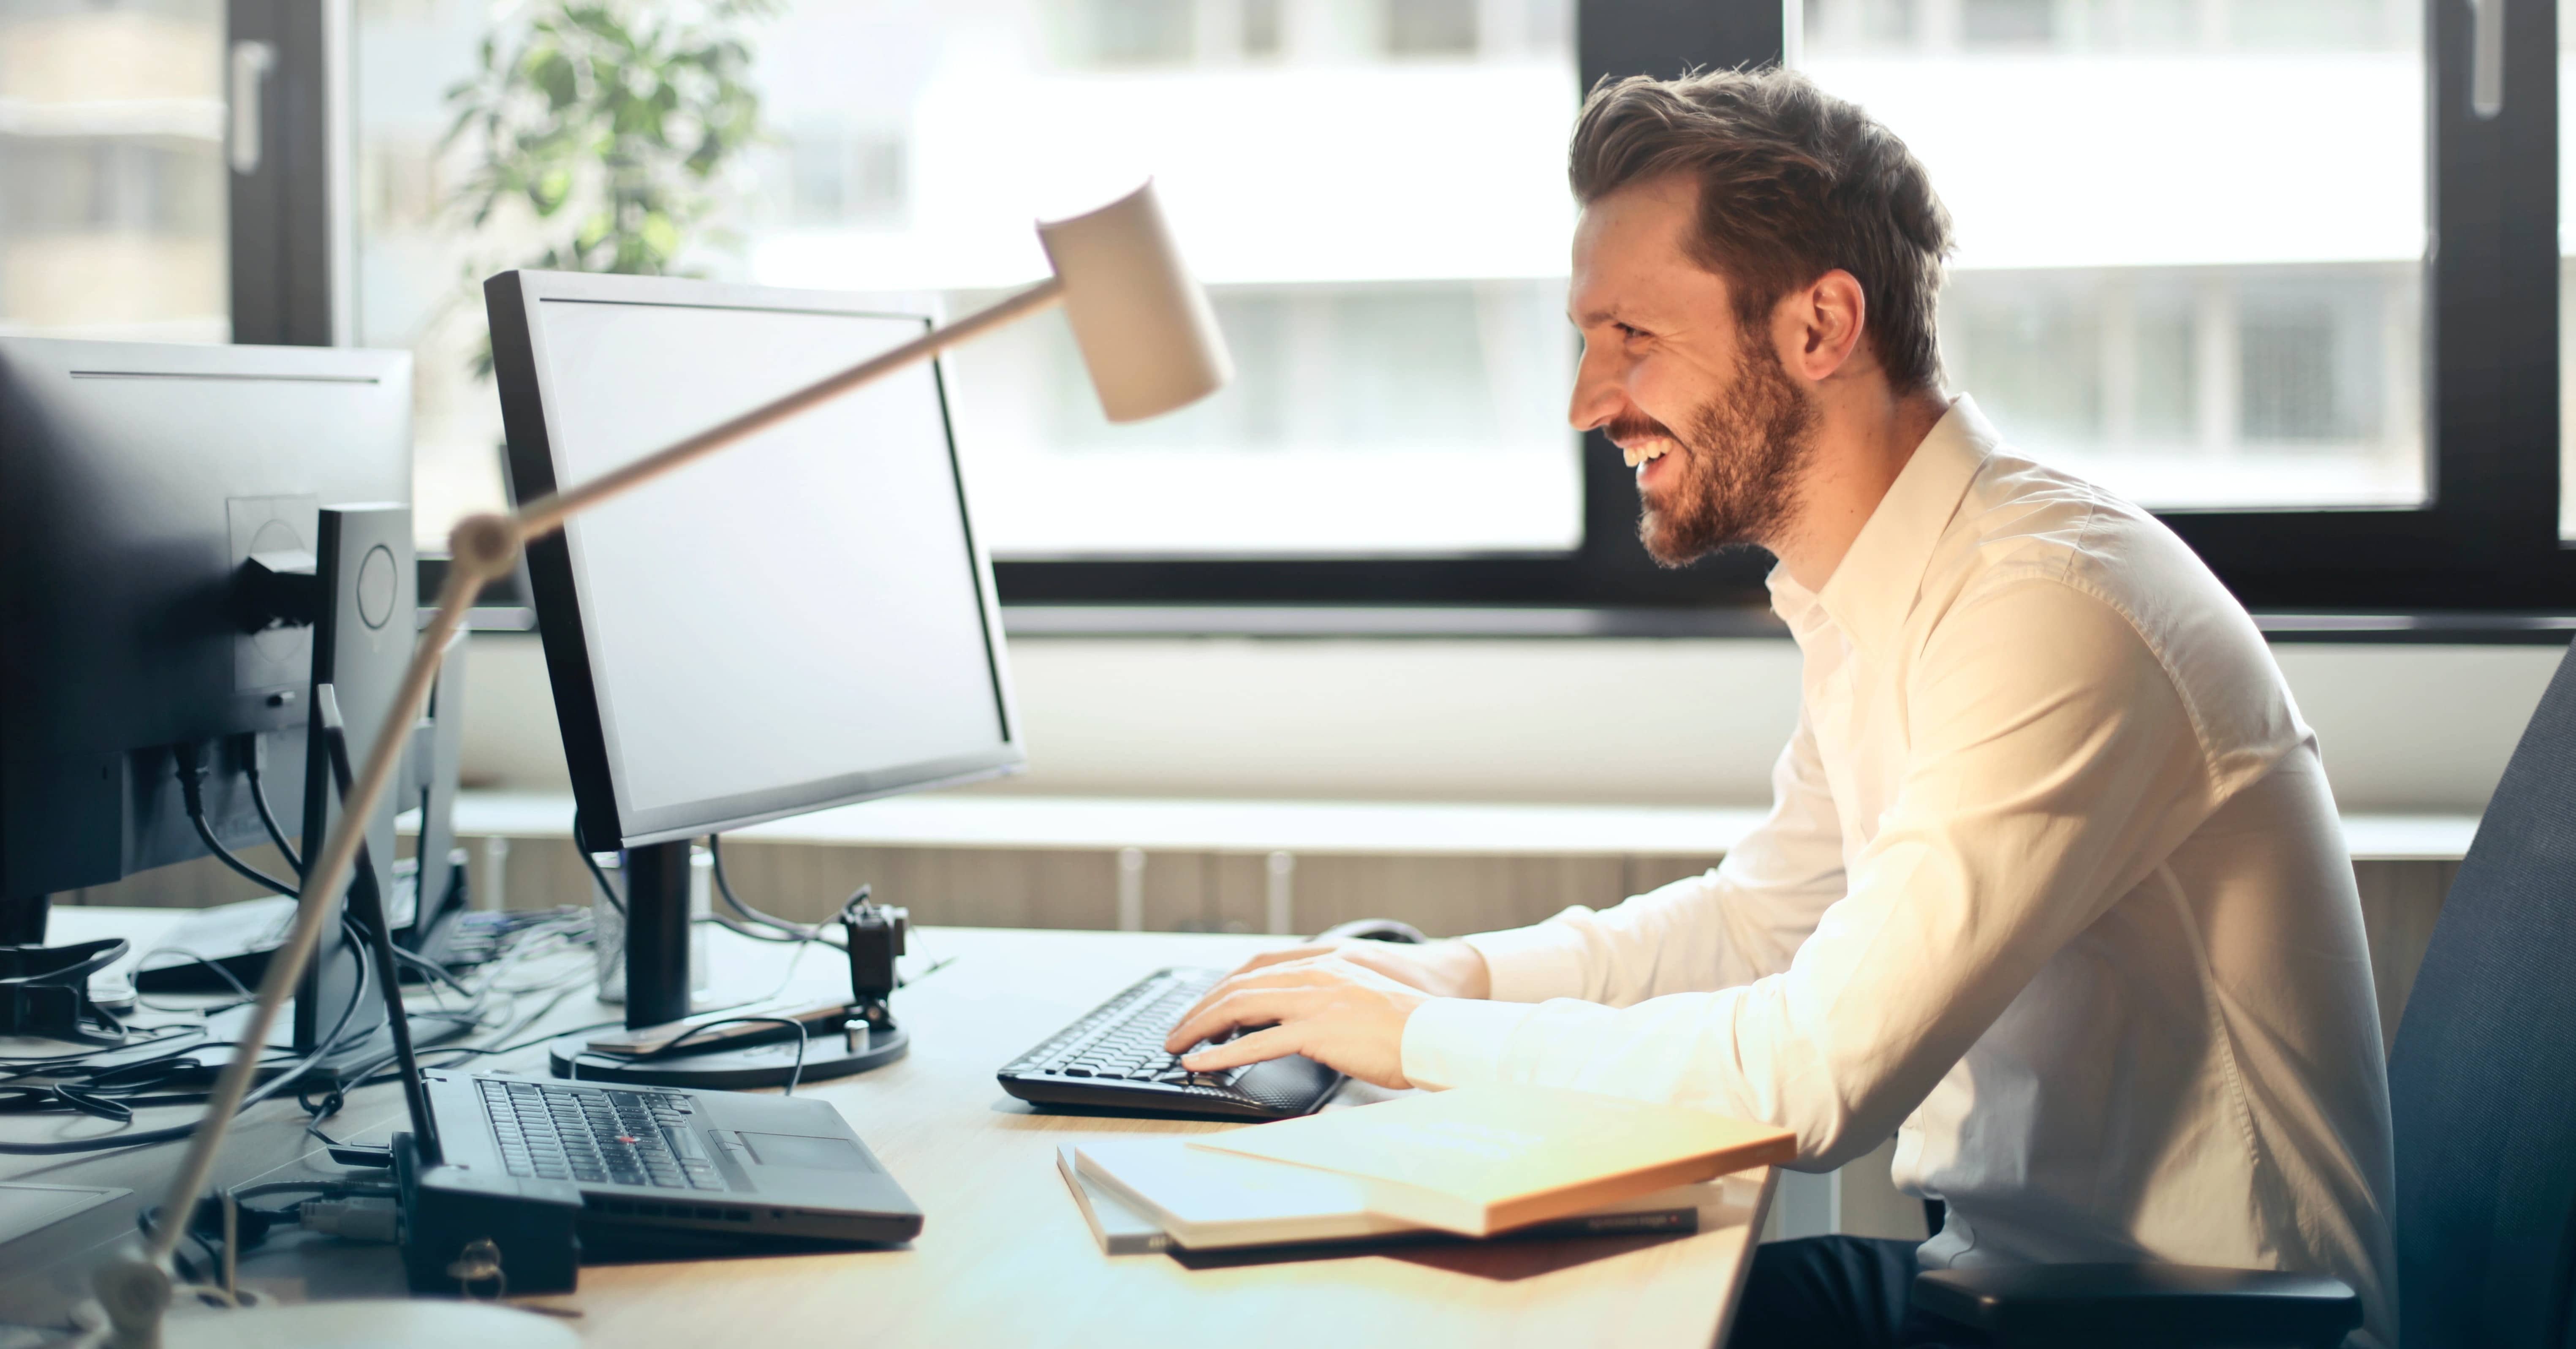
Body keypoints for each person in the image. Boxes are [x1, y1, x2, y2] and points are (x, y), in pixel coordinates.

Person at [1164, 67, 2396, 1349]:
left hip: (2181, 1330)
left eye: (1631, 337)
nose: (1588, 401)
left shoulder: (2049, 611)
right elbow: (1763, 923)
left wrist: (1416, 1037)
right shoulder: (1884, 585)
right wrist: (1443, 975)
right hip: (1999, 1287)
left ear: (1819, 327)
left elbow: (1815, 1077)